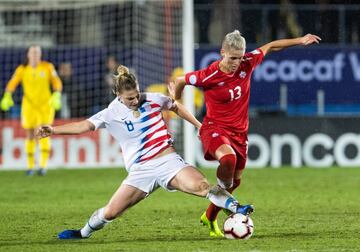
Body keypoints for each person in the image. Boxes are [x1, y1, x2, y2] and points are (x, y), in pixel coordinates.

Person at [36, 65, 253, 240]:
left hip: (169, 162)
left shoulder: (152, 99)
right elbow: (83, 126)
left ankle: (237, 208)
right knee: (111, 212)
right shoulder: (110, 114)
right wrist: (54, 130)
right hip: (140, 171)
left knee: (202, 186)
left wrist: (199, 126)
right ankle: (82, 233)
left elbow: (176, 107)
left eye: (136, 94)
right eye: (129, 98)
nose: (135, 100)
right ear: (117, 94)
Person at [169, 30, 321, 237]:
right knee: (228, 159)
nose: (236, 63)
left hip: (240, 133)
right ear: (222, 52)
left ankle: (210, 216)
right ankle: (227, 202)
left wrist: (300, 40)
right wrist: (175, 100)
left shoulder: (247, 63)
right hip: (214, 128)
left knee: (235, 181)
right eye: (232, 58)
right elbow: (180, 80)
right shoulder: (209, 74)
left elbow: (270, 46)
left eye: (240, 58)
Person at [0, 45, 63, 176]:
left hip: (45, 105)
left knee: (43, 131)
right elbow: (12, 83)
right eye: (32, 53)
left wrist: (56, 94)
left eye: (37, 53)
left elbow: (57, 81)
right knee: (29, 134)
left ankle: (42, 166)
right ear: (28, 55)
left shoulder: (47, 67)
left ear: (40, 55)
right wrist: (7, 95)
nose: (34, 55)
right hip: (28, 106)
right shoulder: (22, 69)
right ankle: (30, 167)